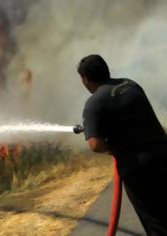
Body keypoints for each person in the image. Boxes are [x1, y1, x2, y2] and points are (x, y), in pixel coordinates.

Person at [77, 54, 167, 236]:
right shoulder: (130, 84)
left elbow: (95, 144)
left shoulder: (94, 104)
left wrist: (110, 147)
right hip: (163, 154)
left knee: (156, 222)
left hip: (138, 170)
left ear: (86, 79)